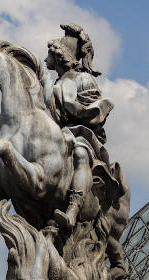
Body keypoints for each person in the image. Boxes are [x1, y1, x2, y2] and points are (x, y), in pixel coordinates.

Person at [42, 23, 115, 229]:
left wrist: (74, 109)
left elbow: (94, 110)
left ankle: (73, 208)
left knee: (81, 154)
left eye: (50, 52)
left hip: (81, 134)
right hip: (54, 134)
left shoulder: (83, 79)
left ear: (59, 56)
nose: (46, 57)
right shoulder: (51, 83)